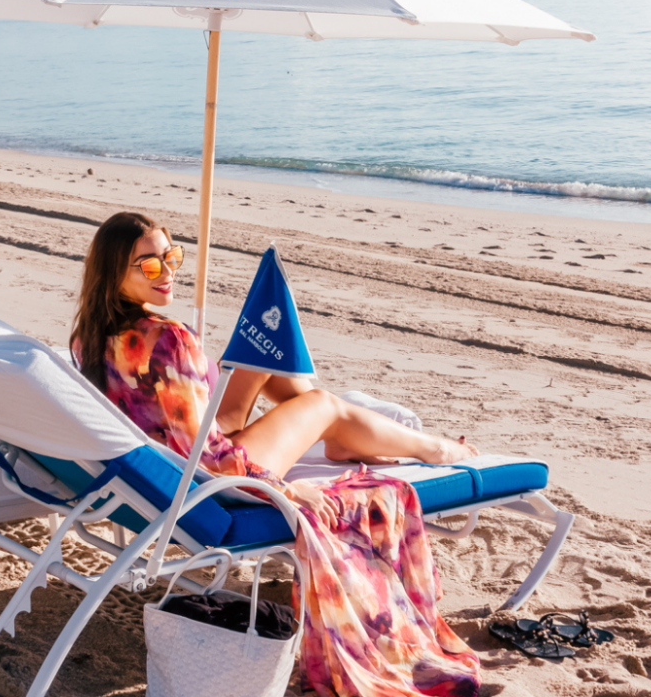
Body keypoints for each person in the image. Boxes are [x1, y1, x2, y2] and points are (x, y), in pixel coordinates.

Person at [71, 212, 481, 697]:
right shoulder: (167, 339)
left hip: (161, 454)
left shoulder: (89, 337)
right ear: (116, 271)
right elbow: (209, 455)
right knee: (321, 403)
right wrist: (284, 489)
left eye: (171, 256)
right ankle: (426, 445)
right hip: (201, 478)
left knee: (259, 357)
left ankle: (346, 428)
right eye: (150, 266)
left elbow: (173, 415)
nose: (168, 271)